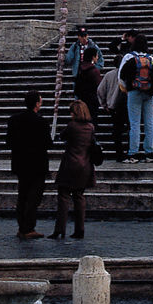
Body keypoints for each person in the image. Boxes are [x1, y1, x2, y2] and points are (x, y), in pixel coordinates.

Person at [4, 88, 51, 240]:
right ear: (37, 104)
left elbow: (9, 142)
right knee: (33, 198)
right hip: (37, 164)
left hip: (20, 163)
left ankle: (22, 226)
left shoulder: (14, 119)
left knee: (22, 195)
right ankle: (28, 227)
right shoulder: (41, 122)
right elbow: (47, 144)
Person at [52, 99, 100, 240]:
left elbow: (62, 136)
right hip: (85, 166)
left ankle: (60, 229)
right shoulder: (90, 127)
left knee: (64, 196)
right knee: (79, 197)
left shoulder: (72, 126)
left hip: (70, 165)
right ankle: (80, 229)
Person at [117, 32, 153, 160]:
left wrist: (126, 89)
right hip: (149, 93)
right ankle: (149, 152)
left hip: (133, 92)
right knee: (149, 122)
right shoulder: (150, 58)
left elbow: (121, 76)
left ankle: (133, 152)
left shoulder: (129, 57)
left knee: (134, 123)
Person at [98, 39, 127, 162]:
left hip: (112, 106)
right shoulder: (127, 76)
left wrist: (103, 103)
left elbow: (100, 90)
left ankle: (119, 153)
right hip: (125, 105)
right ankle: (129, 152)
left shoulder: (108, 75)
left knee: (117, 131)